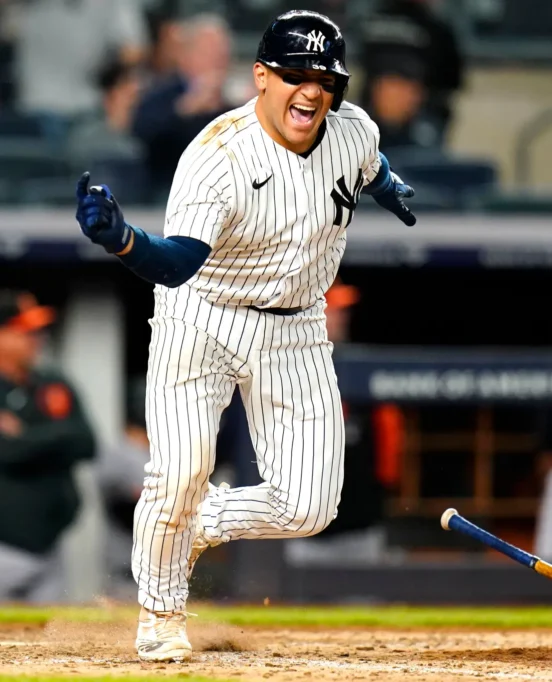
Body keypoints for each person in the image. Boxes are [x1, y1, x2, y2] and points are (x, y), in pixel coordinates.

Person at [75, 10, 416, 662]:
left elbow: (369, 162)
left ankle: (194, 522)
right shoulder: (217, 157)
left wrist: (391, 186)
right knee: (178, 471)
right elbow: (176, 262)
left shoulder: (352, 129)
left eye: (325, 78)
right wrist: (122, 239)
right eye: (294, 74)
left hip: (296, 326)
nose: (311, 91)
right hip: (202, 314)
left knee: (309, 507)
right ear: (261, 77)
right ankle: (160, 614)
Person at [0, 290, 96, 601]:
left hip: (52, 546)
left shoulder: (51, 382)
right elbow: (6, 452)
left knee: (52, 640)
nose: (36, 338)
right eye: (25, 331)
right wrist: (55, 436)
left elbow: (86, 442)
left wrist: (25, 435)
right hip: (5, 547)